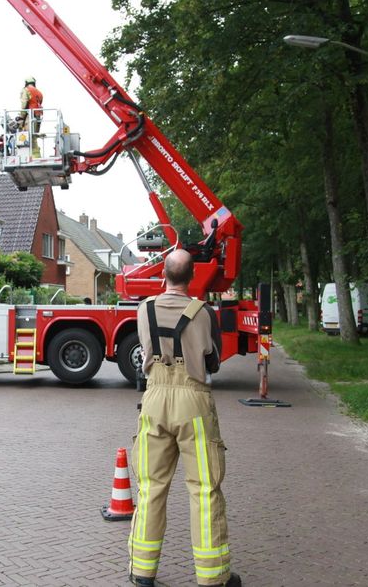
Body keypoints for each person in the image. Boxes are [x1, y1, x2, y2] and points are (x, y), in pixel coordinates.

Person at [129, 249, 240, 587]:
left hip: (155, 400)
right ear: (192, 277)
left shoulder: (143, 309)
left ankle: (142, 572)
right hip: (193, 403)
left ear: (163, 274)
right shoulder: (204, 312)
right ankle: (212, 577)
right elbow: (213, 361)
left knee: (151, 487)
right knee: (204, 489)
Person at [19, 76, 43, 156]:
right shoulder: (39, 92)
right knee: (34, 137)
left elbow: (24, 104)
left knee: (28, 136)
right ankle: (36, 155)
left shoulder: (26, 90)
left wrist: (21, 117)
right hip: (38, 117)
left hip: (30, 116)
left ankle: (31, 156)